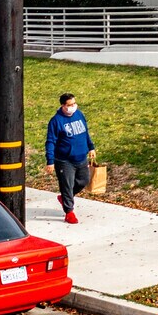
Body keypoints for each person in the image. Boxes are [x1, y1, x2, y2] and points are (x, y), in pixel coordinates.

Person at [44, 93, 97, 224]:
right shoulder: (56, 121)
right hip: (64, 160)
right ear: (63, 105)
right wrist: (50, 161)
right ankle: (69, 212)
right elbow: (50, 141)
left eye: (74, 103)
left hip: (81, 157)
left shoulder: (79, 115)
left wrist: (91, 147)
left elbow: (85, 133)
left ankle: (65, 198)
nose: (73, 106)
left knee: (83, 181)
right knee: (66, 185)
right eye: (70, 105)